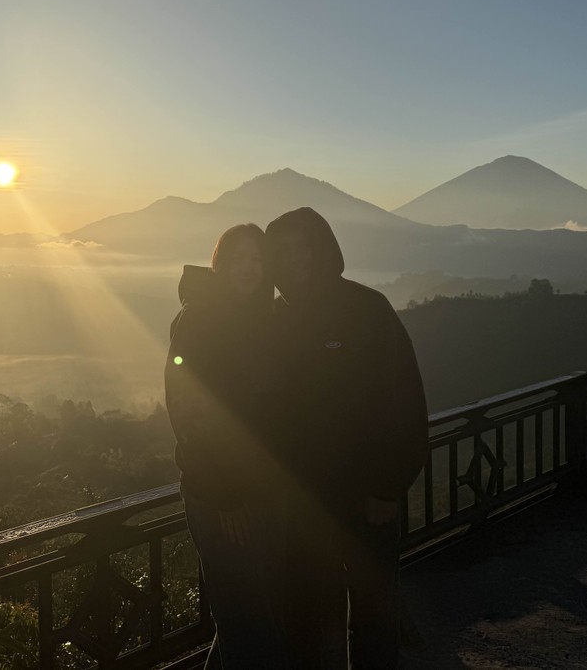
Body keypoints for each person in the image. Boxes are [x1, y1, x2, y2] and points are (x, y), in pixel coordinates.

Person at [263, 207, 428, 669]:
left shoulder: (367, 309)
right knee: (305, 612)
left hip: (366, 498)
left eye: (304, 247)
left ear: (324, 250)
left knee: (374, 612)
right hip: (301, 503)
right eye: (284, 251)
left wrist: (387, 485)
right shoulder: (273, 320)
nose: (296, 259)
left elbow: (404, 401)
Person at [164, 223, 288, 667]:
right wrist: (226, 496)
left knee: (246, 622)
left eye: (257, 260)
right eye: (238, 259)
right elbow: (189, 413)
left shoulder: (262, 318)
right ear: (220, 263)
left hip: (259, 493)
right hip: (218, 498)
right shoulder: (198, 321)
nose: (248, 269)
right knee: (249, 626)